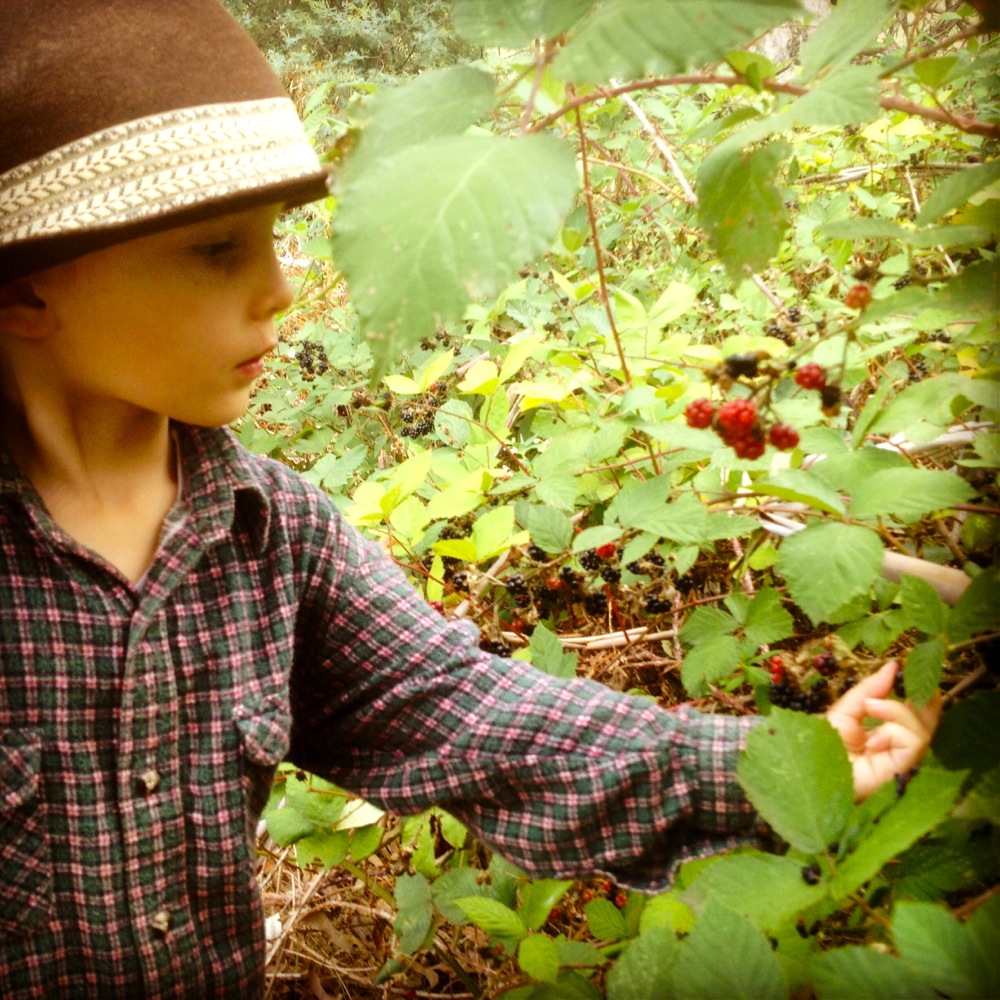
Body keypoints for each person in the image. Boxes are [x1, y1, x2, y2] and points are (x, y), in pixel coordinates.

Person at [0, 2, 941, 996]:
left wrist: (764, 762)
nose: (281, 289)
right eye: (214, 249)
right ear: (23, 292)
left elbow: (461, 711)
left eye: (274, 239)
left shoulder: (271, 537)